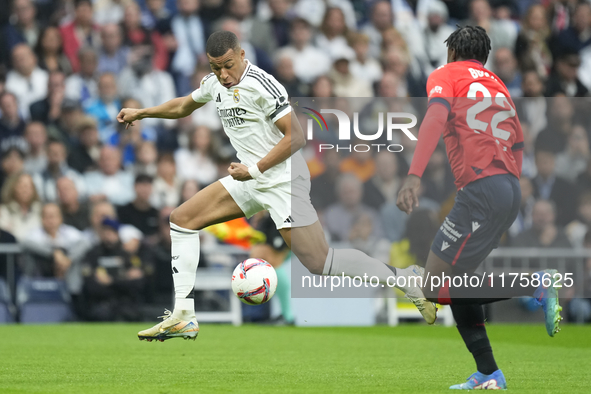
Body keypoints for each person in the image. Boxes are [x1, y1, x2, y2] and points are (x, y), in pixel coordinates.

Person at [118, 31, 435, 342]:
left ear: (242, 55)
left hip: (283, 179)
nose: (223, 74)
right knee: (182, 219)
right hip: (250, 175)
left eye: (228, 64)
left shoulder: (263, 85)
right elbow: (184, 105)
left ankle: (406, 279)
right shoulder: (214, 82)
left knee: (319, 262)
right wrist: (143, 112)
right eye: (216, 67)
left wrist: (254, 169)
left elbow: (296, 137)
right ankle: (183, 317)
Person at [396, 26, 562, 390]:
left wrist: (413, 175)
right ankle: (489, 372)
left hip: (479, 190)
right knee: (458, 287)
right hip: (507, 188)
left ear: (453, 51)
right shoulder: (499, 86)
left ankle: (535, 283)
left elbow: (435, 119)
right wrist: (506, 192)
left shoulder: (446, 75)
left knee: (433, 287)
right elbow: (518, 142)